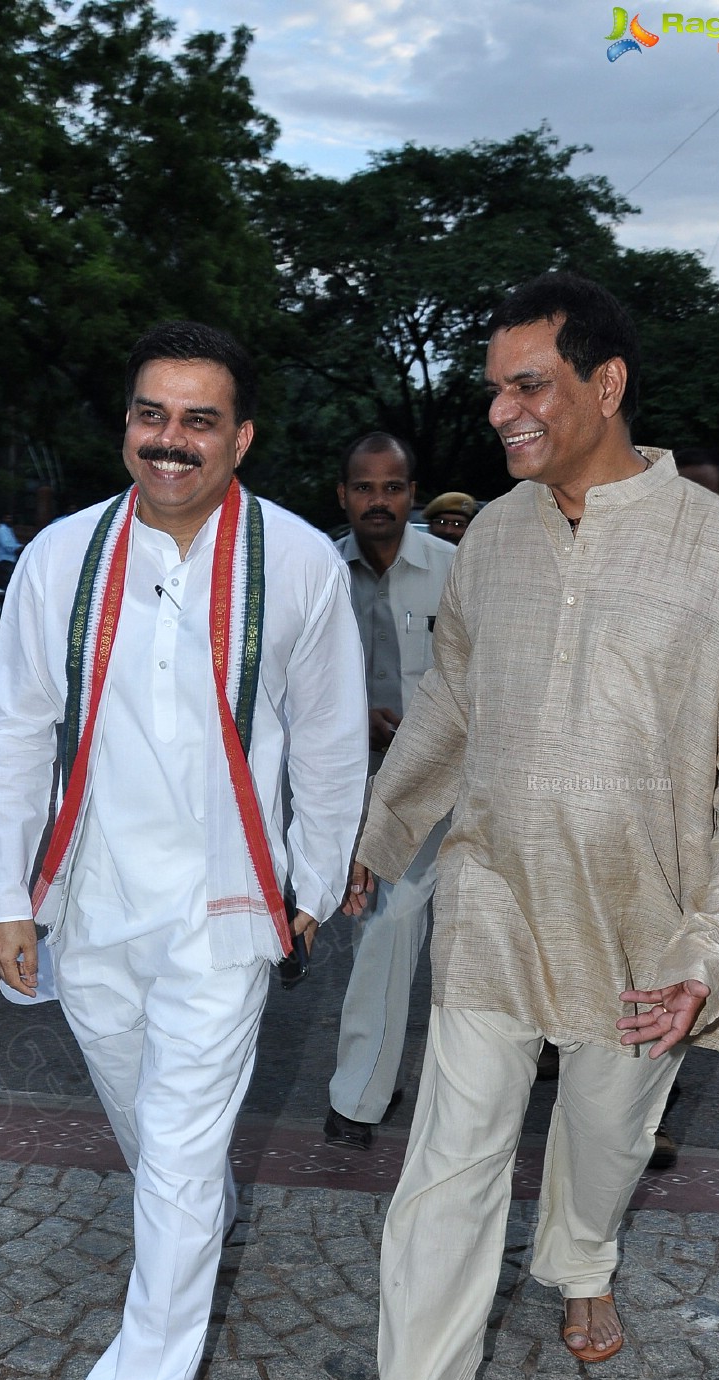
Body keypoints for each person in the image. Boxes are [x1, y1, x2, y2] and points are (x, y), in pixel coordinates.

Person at [330, 272, 719, 1380]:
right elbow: (449, 701)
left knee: (602, 1142)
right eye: (493, 387)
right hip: (493, 903)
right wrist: (379, 835)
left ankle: (582, 1258)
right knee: (447, 1163)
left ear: (603, 384)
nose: (499, 412)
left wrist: (716, 948)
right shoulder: (489, 539)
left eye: (526, 383)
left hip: (644, 928)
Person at [0, 320, 368, 1380]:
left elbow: (333, 741)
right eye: (153, 414)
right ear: (127, 425)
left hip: (222, 906)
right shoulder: (57, 557)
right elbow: (18, 734)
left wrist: (307, 883)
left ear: (239, 437)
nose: (171, 440)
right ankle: (193, 1222)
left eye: (199, 420)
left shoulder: (296, 562)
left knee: (184, 1143)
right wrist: (5, 898)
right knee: (153, 1133)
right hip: (87, 899)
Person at [325, 433, 455, 1149]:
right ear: (343, 496)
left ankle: (356, 1098)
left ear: (413, 494)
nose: (380, 500)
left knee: (389, 922)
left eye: (394, 486)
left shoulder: (455, 571)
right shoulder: (313, 570)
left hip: (431, 789)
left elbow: (483, 680)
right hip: (336, 785)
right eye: (365, 487)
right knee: (354, 925)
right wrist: (351, 720)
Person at [0, 511, 22, 589]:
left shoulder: (9, 529)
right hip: (4, 561)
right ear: (3, 519)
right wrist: (21, 548)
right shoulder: (2, 529)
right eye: (7, 518)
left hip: (10, 561)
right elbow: (8, 546)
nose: (9, 520)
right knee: (7, 584)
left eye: (10, 518)